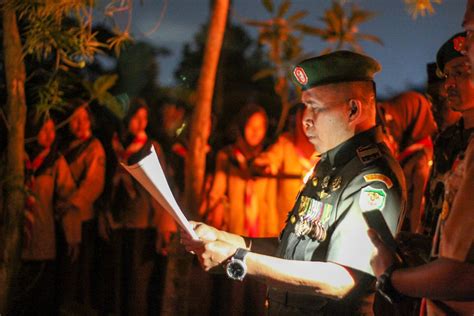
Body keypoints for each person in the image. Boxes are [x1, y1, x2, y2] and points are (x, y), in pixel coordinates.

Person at [182, 50, 406, 315]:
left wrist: (239, 260)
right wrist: (225, 239)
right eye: (304, 107)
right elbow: (290, 249)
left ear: (353, 109)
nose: (305, 120)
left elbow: (342, 279)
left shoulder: (371, 177)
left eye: (316, 107)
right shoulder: (330, 165)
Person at [368, 33, 474, 315]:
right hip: (434, 279)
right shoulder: (446, 141)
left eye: (462, 73)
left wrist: (395, 278)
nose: (449, 84)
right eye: (447, 75)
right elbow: (435, 213)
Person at [98, 98, 176, 315]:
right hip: (116, 222)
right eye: (136, 117)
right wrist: (104, 215)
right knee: (116, 281)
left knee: (138, 283)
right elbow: (104, 184)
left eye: (145, 117)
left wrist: (164, 224)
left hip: (144, 224)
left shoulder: (151, 148)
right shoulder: (113, 146)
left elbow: (162, 187)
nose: (142, 122)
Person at [11, 114, 80, 315]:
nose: (50, 135)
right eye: (44, 129)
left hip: (43, 241)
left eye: (52, 129)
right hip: (15, 242)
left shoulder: (55, 162)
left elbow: (68, 199)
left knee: (41, 300)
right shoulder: (16, 158)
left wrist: (73, 235)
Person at [56, 100, 106, 313]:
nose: (80, 123)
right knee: (64, 269)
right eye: (75, 119)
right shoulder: (65, 147)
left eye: (84, 118)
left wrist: (71, 203)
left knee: (81, 269)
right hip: (61, 218)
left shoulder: (94, 147)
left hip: (82, 217)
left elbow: (93, 183)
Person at [202, 103, 279, 238]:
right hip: (232, 231)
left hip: (259, 234)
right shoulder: (227, 156)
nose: (255, 132)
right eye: (250, 126)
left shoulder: (267, 160)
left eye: (260, 127)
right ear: (242, 126)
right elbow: (217, 192)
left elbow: (270, 202)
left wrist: (272, 233)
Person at [378, 91, 437, 233]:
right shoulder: (405, 153)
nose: (393, 123)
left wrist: (413, 236)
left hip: (407, 233)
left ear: (414, 116)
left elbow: (418, 205)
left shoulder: (421, 158)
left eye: (401, 115)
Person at [255, 103, 318, 231]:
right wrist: (264, 165)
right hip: (283, 227)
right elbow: (268, 158)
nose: (309, 123)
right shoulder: (285, 144)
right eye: (305, 118)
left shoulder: (327, 150)